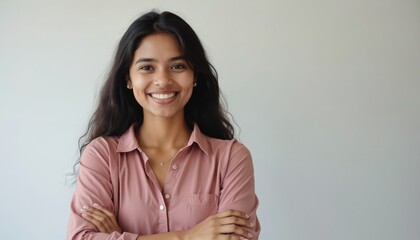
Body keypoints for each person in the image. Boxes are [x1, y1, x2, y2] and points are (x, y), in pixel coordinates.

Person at [67, 10, 260, 240]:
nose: (163, 80)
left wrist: (118, 235)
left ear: (195, 76)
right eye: (147, 67)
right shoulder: (102, 156)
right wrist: (188, 237)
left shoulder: (231, 159)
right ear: (128, 79)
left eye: (178, 66)